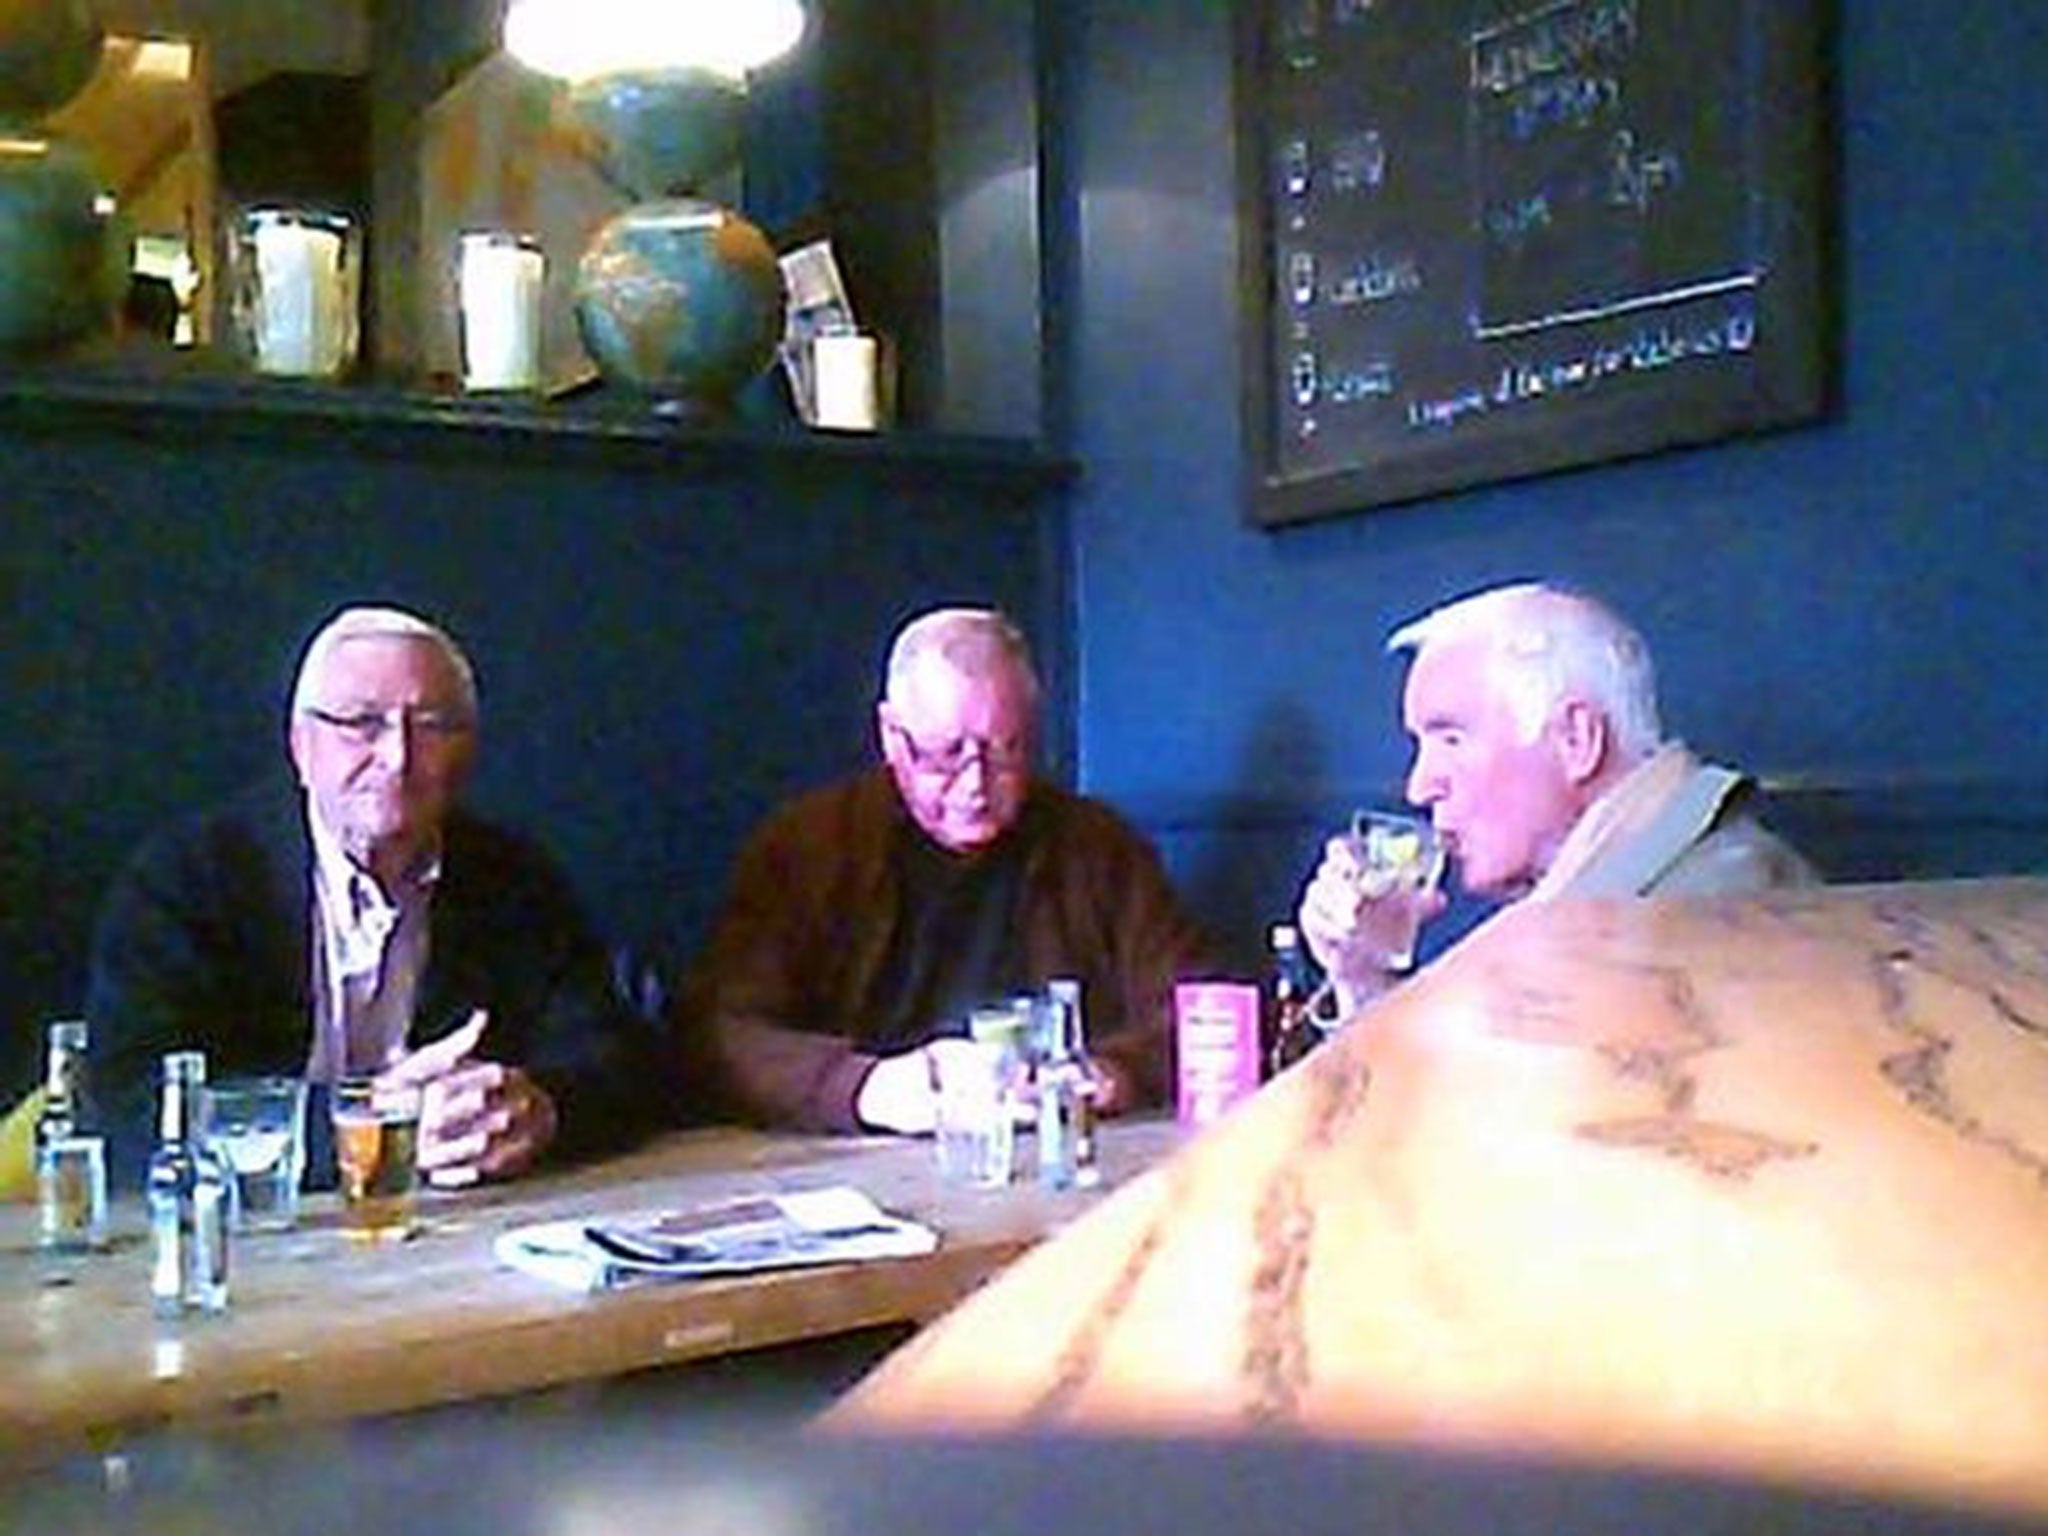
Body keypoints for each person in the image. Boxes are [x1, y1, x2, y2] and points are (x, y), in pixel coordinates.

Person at [86, 606, 669, 1185]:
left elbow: (614, 1057)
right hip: (256, 1229)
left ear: (469, 750)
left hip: (461, 1232)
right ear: (300, 745)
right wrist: (372, 1121)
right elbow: (133, 1104)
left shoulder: (512, 878)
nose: (397, 757)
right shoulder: (189, 878)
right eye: (363, 722)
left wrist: (538, 1109)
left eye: (433, 724)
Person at [685, 607, 1211, 1133]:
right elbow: (719, 1034)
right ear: (892, 735)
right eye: (943, 754)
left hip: (1050, 1148)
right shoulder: (807, 849)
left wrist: (1110, 1072)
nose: (975, 784)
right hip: (859, 1157)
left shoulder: (1099, 847)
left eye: (1005, 752)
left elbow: (1204, 1012)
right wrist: (862, 1087)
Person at [1300, 582, 1815, 1018]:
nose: (1420, 786)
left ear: (1576, 741)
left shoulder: (1703, 923)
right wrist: (1364, 976)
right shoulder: (1617, 886)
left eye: (1451, 739)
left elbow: (1471, 1127)